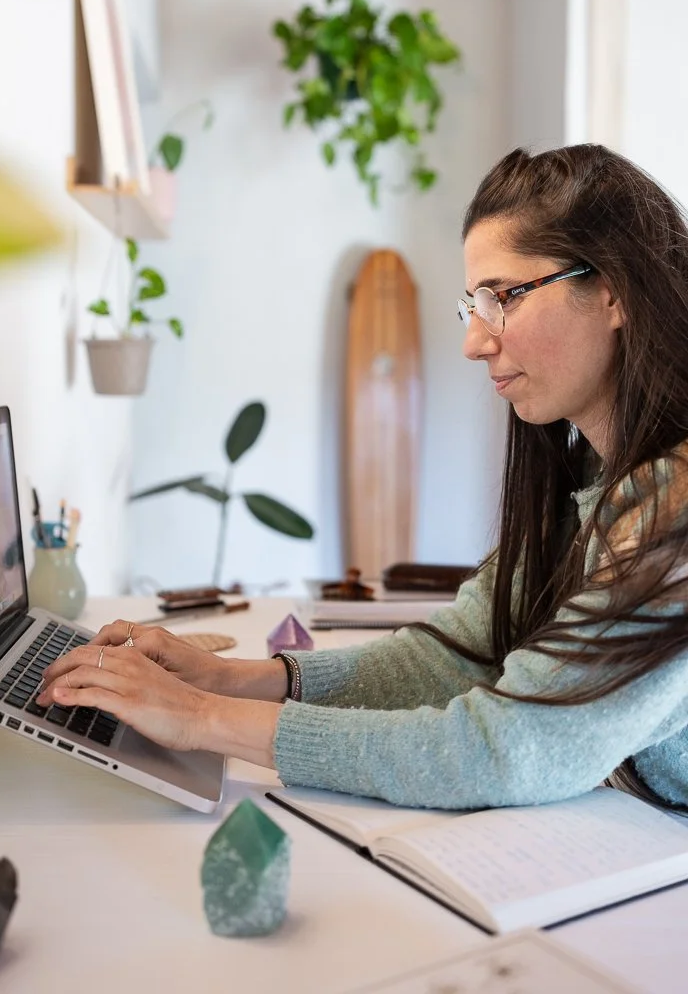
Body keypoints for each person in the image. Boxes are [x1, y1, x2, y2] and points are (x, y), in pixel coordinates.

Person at [38, 144, 688, 810]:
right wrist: (223, 678)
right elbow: (458, 655)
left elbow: (503, 749)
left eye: (506, 297)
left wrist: (201, 718)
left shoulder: (675, 513)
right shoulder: (592, 475)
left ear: (612, 290)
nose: (474, 342)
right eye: (475, 306)